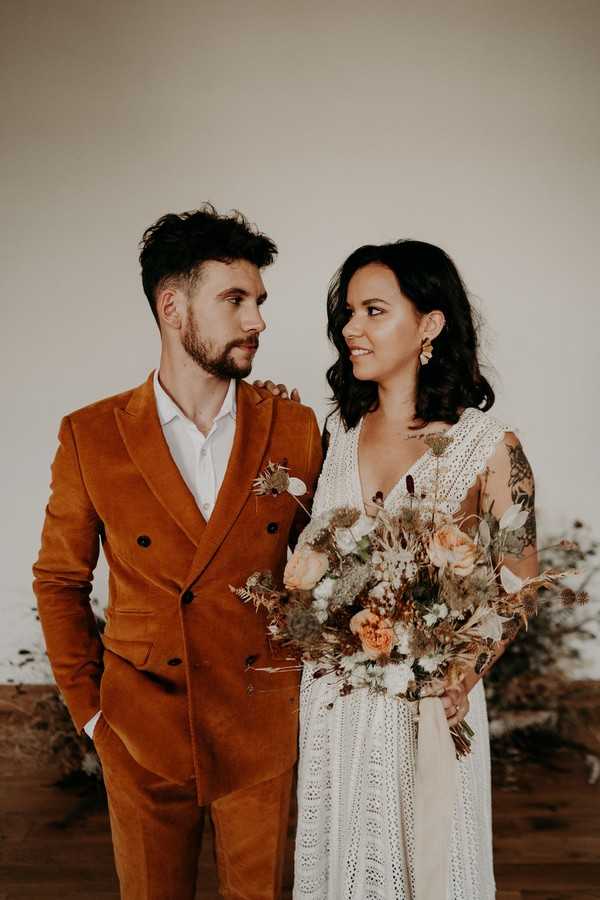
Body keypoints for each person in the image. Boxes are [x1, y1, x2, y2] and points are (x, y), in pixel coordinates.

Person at [32, 205, 322, 900]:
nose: (257, 321)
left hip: (261, 721)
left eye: (259, 301)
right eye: (235, 300)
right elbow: (59, 581)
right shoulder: (91, 435)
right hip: (140, 729)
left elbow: (325, 565)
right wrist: (92, 714)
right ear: (172, 306)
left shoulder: (296, 425)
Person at [292, 240, 537, 899]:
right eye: (348, 313)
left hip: (428, 709)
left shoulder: (489, 447)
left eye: (374, 311)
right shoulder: (337, 437)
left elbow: (520, 585)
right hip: (336, 709)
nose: (351, 329)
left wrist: (464, 674)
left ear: (430, 324)